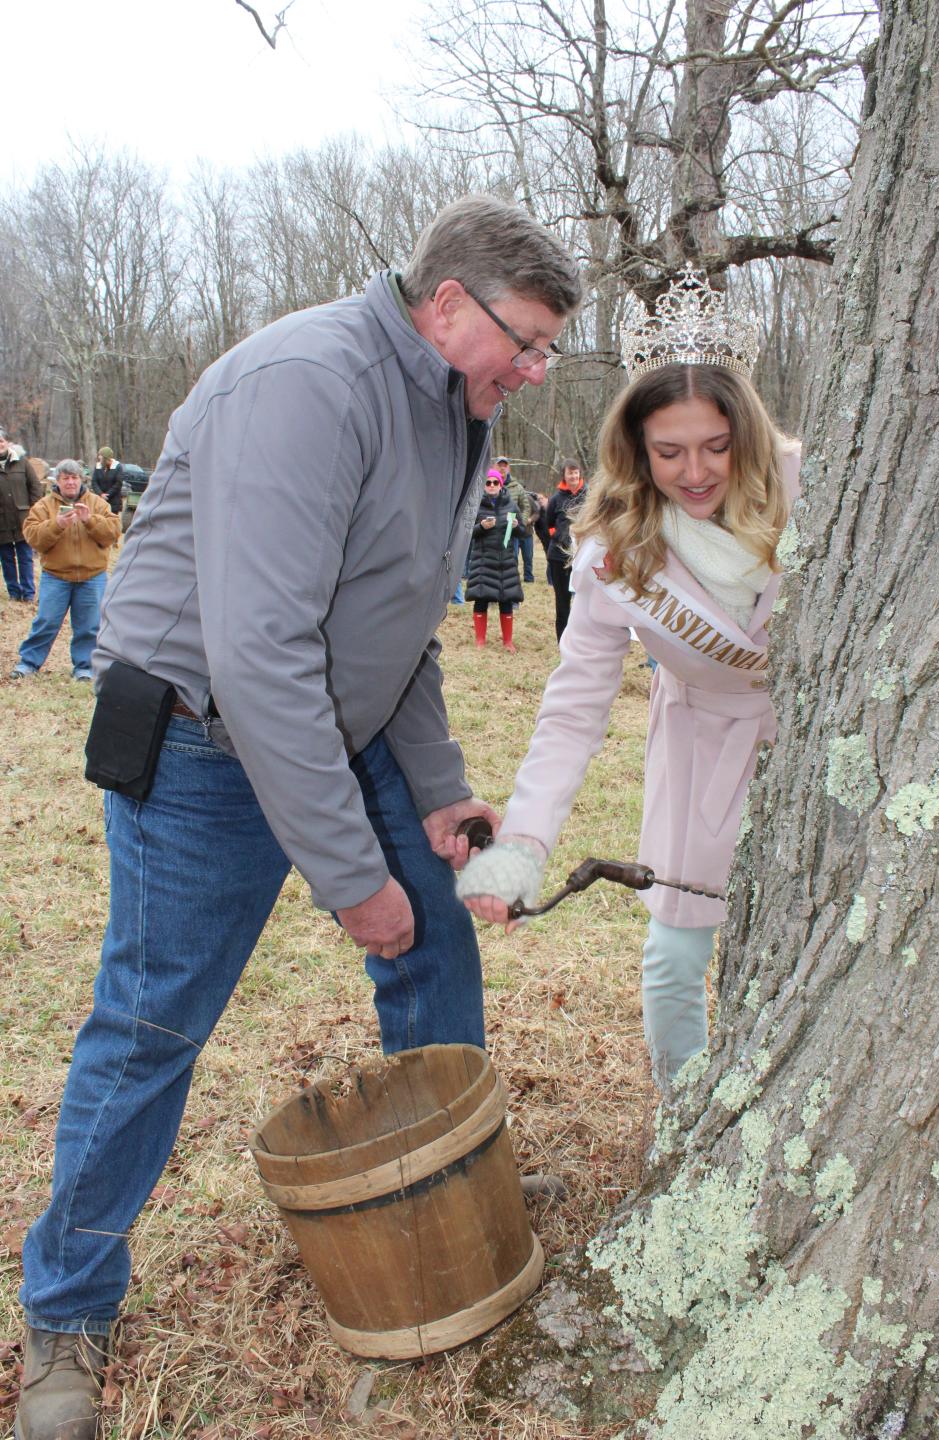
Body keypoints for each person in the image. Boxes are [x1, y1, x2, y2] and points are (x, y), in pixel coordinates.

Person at [13, 194, 580, 1440]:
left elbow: (400, 623)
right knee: (153, 1021)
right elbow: (263, 657)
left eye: (547, 351)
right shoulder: (308, 384)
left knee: (437, 934)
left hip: (343, 721)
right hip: (209, 740)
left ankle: (454, 1180)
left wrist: (434, 794)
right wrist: (349, 876)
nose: (536, 371)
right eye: (525, 342)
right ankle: (65, 1305)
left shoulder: (450, 404)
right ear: (447, 305)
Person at [456, 265, 800, 1090]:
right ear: (636, 452)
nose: (696, 472)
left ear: (746, 435)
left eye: (717, 446)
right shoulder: (616, 547)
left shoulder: (811, 488)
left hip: (817, 742)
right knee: (678, 954)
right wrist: (522, 850)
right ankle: (683, 1121)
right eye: (670, 451)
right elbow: (573, 710)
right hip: (700, 749)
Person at [11, 460, 120, 681]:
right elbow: (32, 537)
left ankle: (85, 668)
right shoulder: (43, 506)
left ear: (82, 480)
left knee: (89, 627)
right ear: (57, 481)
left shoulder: (98, 504)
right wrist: (57, 525)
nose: (70, 482)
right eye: (65, 478)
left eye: (74, 477)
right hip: (56, 577)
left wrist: (89, 520)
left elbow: (113, 533)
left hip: (93, 577)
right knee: (46, 622)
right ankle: (28, 663)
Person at [466, 468, 524, 651]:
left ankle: (508, 642)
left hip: (505, 561)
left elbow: (524, 532)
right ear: (484, 485)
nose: (491, 485)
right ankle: (480, 641)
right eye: (488, 482)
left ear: (501, 484)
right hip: (482, 560)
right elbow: (467, 533)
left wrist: (516, 526)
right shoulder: (475, 504)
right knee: (481, 599)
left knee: (506, 600)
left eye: (495, 482)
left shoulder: (511, 505)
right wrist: (481, 527)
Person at [0, 426, 45, 604]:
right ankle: (14, 592)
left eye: (1, 441)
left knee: (25, 557)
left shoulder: (22, 462)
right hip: (1, 521)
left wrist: (34, 509)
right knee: (6, 559)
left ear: (7, 443)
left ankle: (28, 593)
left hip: (23, 519)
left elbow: (35, 487)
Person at [544, 459, 587, 639]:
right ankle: (563, 641)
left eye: (576, 472)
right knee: (562, 603)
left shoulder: (590, 496)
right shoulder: (556, 499)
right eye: (570, 473)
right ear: (564, 476)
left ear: (580, 474)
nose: (573, 476)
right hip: (559, 557)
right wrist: (558, 536)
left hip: (584, 557)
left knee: (583, 602)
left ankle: (581, 639)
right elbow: (547, 523)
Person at [498, 454, 536, 582]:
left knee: (513, 556)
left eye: (505, 466)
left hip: (511, 530)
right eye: (500, 466)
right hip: (495, 529)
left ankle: (511, 579)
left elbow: (526, 507)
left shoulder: (517, 487)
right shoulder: (490, 484)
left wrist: (521, 523)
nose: (502, 468)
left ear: (508, 468)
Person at [90, 446, 124, 515]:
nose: (99, 457)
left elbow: (118, 483)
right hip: (99, 501)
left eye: (101, 455)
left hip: (113, 502)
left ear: (105, 458)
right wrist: (100, 494)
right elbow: (94, 482)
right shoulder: (98, 466)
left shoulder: (118, 467)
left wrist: (107, 495)